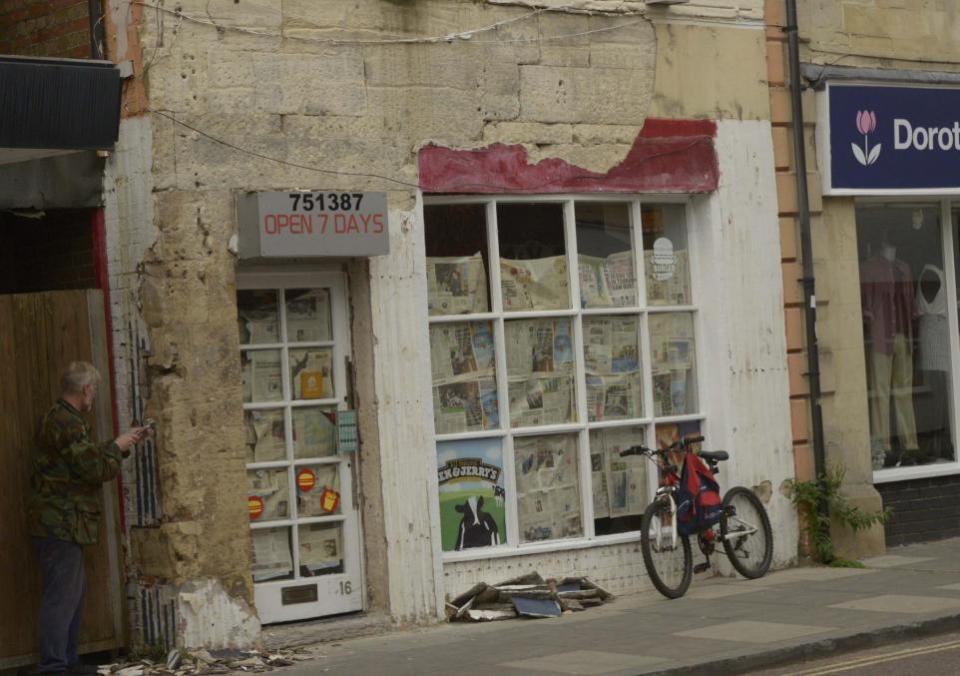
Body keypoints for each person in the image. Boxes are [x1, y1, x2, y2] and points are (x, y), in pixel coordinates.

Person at [27, 361, 149, 675]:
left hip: (65, 523)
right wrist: (118, 448)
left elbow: (85, 458)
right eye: (93, 388)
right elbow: (92, 468)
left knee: (72, 596)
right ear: (85, 390)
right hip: (60, 523)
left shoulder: (65, 419)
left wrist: (119, 445)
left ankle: (67, 662)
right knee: (62, 597)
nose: (93, 393)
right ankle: (54, 667)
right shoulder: (67, 422)